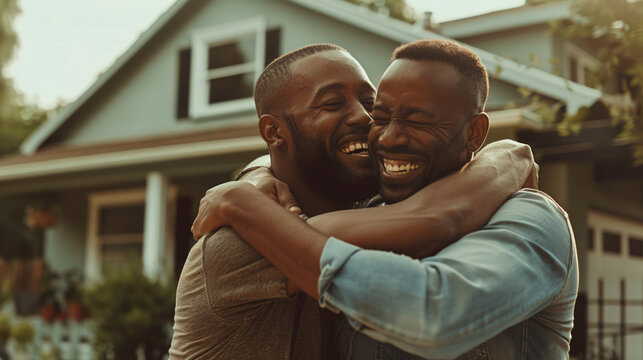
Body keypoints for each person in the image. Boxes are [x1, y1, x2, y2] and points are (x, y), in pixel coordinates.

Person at [191, 39, 578, 359]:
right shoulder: (238, 243)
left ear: (475, 133)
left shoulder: (531, 219)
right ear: (273, 132)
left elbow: (434, 314)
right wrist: (251, 181)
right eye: (382, 115)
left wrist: (509, 153)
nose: (377, 129)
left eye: (418, 119)